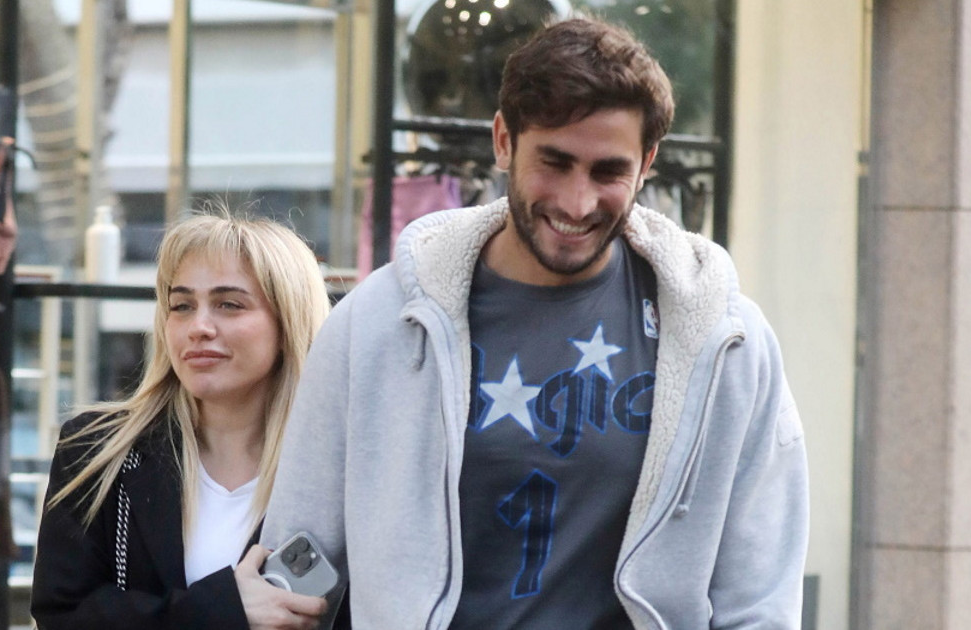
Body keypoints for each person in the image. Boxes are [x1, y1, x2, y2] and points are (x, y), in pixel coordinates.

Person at [262, 16, 809, 629]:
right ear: (503, 141)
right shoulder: (377, 325)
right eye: (555, 162)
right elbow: (297, 568)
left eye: (608, 171)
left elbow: (760, 596)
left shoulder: (724, 340)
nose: (578, 202)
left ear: (647, 163)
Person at [31, 211, 332, 630]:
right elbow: (62, 617)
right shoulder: (98, 451)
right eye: (182, 306)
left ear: (287, 322)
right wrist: (220, 611)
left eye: (229, 305)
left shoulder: (335, 469)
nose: (199, 327)